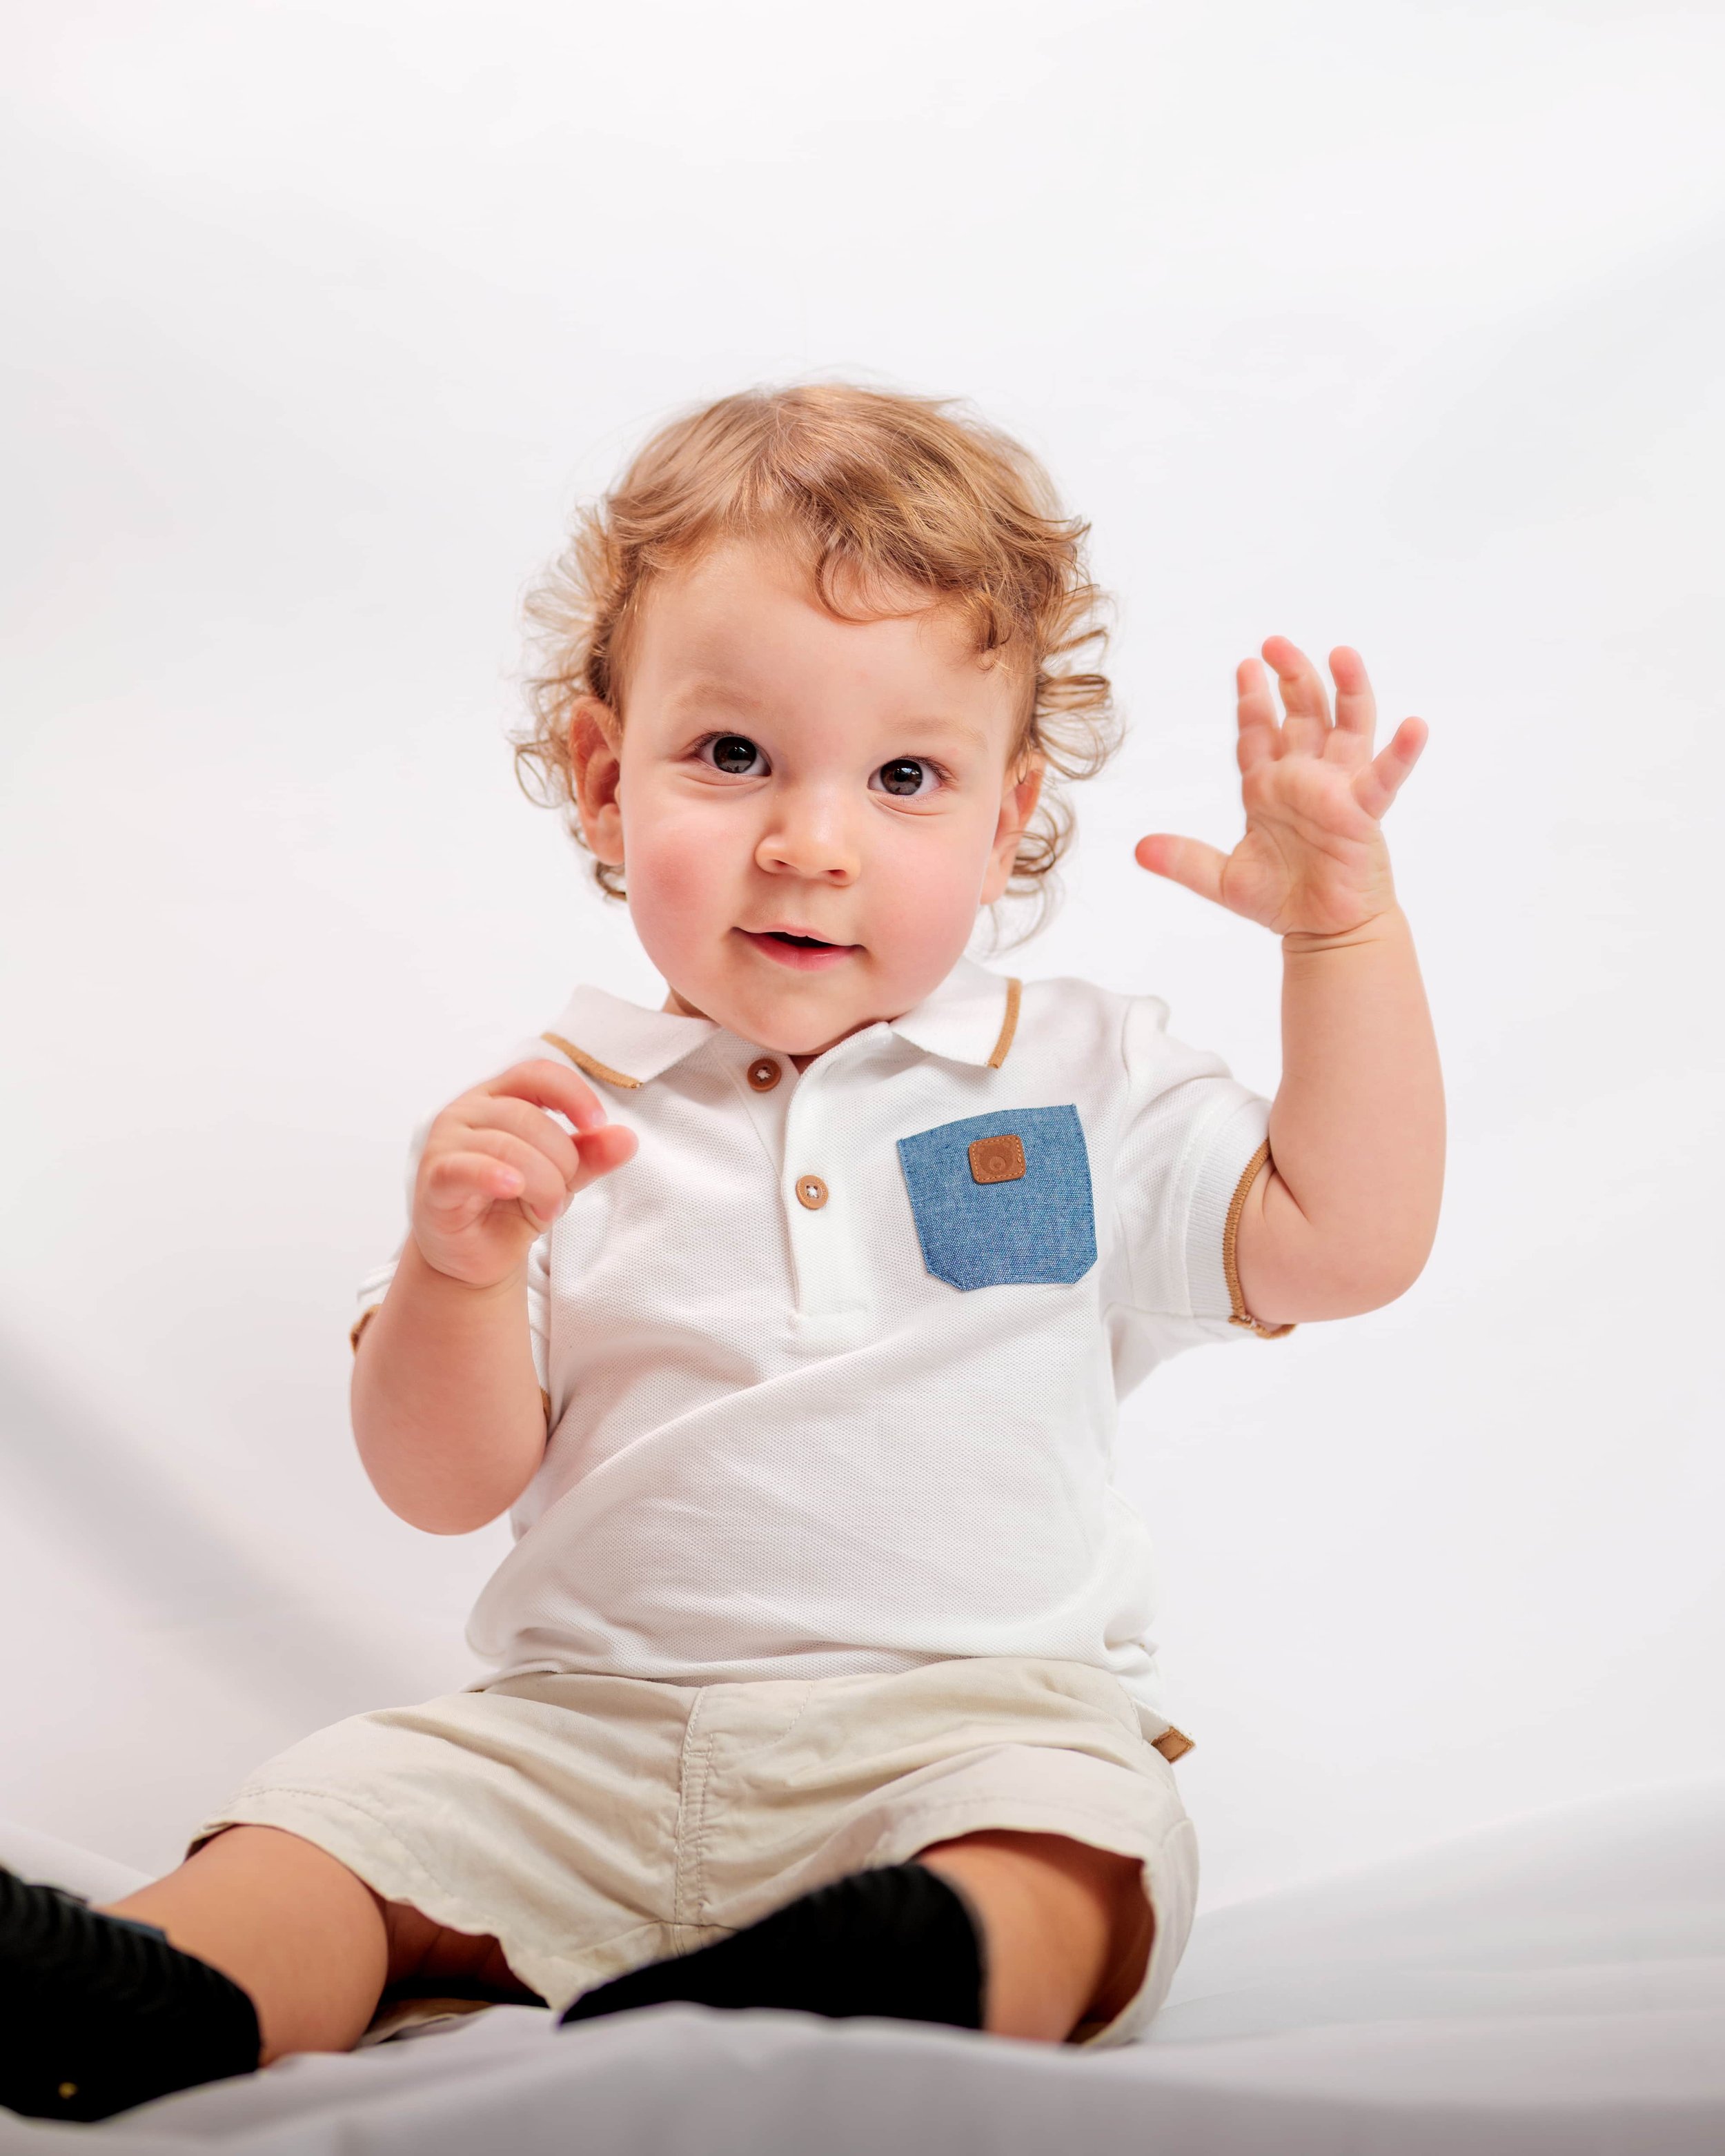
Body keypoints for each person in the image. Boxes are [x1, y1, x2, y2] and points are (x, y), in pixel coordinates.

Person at [0, 384, 1443, 2122]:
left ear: (1004, 821)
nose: (808, 841)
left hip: (958, 1735)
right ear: (609, 783)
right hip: (581, 1740)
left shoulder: (1081, 1077)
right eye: (734, 756)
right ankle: (161, 1994)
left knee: (1077, 1852)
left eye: (904, 776)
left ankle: (871, 1977)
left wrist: (1338, 931)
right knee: (349, 1817)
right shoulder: (550, 1120)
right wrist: (457, 1271)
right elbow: (446, 1484)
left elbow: (1342, 1247)